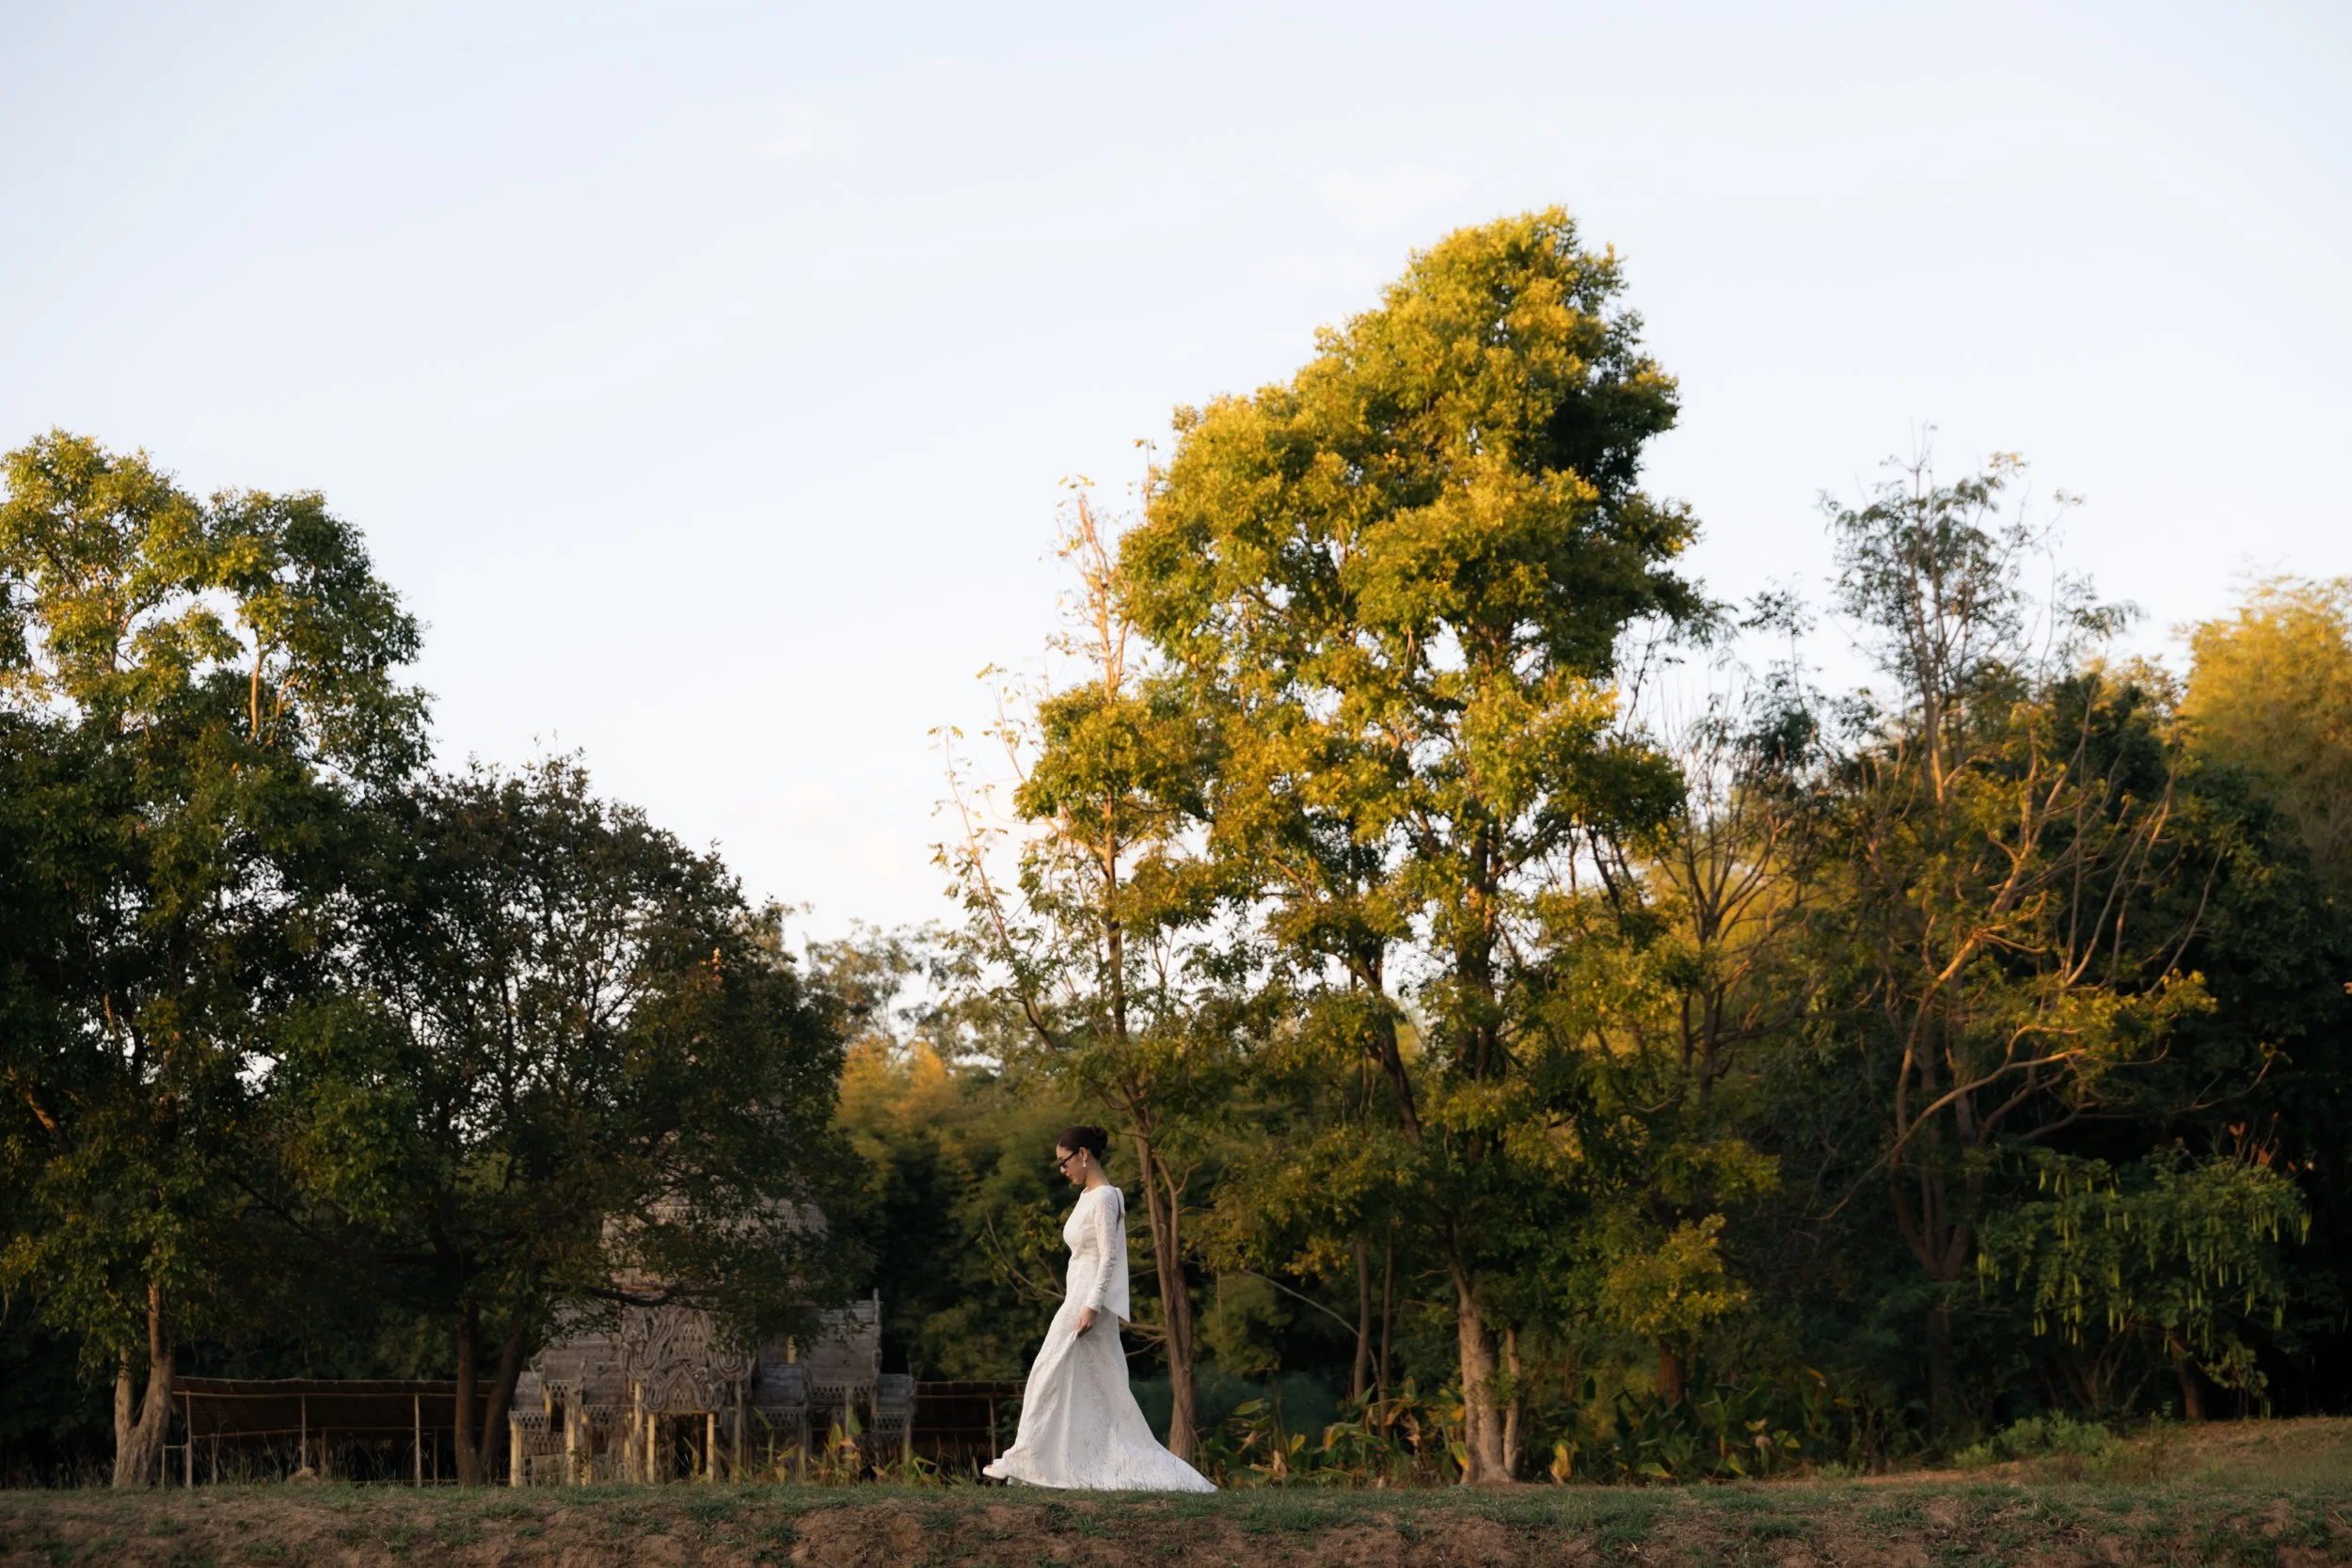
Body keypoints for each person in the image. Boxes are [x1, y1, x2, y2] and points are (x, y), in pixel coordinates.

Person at [980, 1125, 1216, 1491]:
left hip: (1087, 1300)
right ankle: (1054, 1464)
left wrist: (1091, 1305)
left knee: (1045, 1373)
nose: (1062, 1170)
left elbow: (1109, 1257)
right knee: (1085, 1383)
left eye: (1064, 1162)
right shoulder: (1087, 1196)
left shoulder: (1105, 1197)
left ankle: (1022, 1459)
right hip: (1078, 1294)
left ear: (1083, 1154)